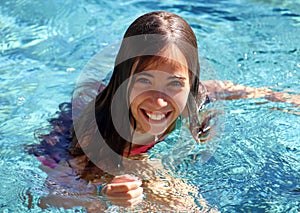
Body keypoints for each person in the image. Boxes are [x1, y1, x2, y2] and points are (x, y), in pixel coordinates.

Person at [27, 11, 300, 212]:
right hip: (74, 145)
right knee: (169, 198)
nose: (159, 102)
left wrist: (283, 99)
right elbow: (46, 196)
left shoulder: (191, 97)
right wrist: (102, 195)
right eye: (145, 80)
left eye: (174, 84)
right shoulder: (97, 136)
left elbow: (222, 88)